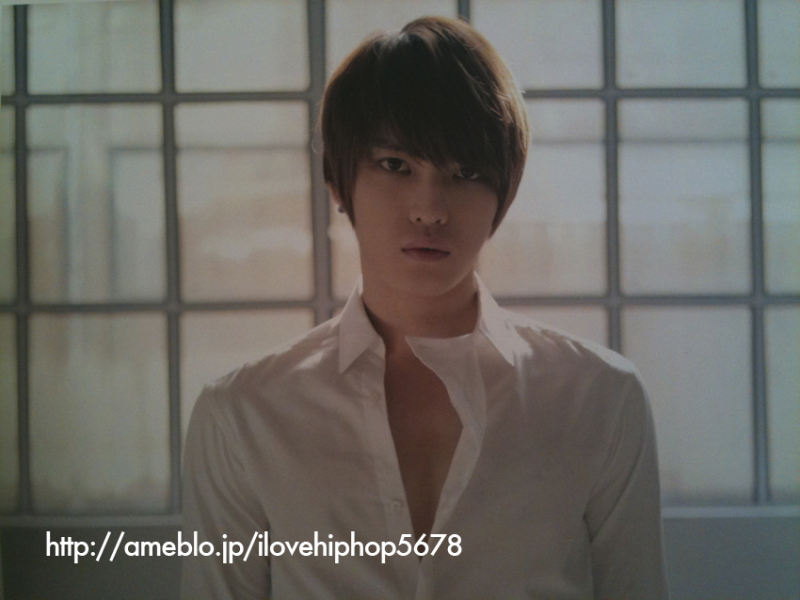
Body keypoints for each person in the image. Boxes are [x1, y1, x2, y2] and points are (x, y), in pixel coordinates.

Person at [181, 16, 669, 600]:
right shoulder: (244, 414)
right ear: (338, 181)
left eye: (466, 172)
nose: (431, 208)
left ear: (502, 192)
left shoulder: (599, 397)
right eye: (396, 165)